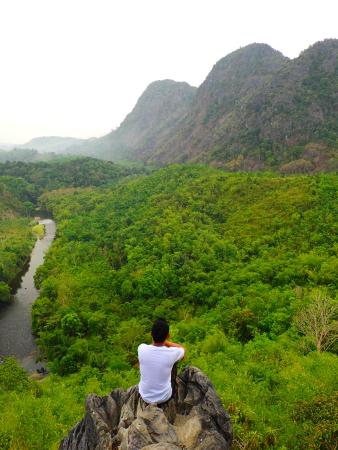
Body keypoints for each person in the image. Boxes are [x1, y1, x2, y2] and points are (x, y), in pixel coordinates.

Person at [138, 318, 185, 404]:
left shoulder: (141, 349)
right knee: (172, 362)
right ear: (168, 336)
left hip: (145, 396)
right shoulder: (171, 353)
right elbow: (182, 350)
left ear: (150, 334)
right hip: (164, 397)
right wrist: (167, 343)